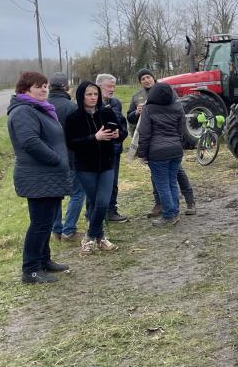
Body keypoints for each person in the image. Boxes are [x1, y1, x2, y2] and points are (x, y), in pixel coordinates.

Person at [7, 71, 73, 284]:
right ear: (25, 89)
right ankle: (31, 270)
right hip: (38, 176)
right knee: (40, 224)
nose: (44, 89)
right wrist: (56, 159)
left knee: (46, 221)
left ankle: (44, 261)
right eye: (38, 86)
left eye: (45, 86)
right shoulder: (23, 111)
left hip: (47, 176)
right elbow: (30, 142)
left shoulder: (38, 109)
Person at [127, 68, 196, 216]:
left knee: (173, 176)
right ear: (140, 82)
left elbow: (180, 120)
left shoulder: (167, 91)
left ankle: (186, 203)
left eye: (148, 77)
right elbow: (130, 118)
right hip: (162, 146)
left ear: (153, 77)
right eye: (143, 79)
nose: (146, 80)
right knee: (161, 178)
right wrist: (136, 112)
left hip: (162, 146)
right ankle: (162, 205)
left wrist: (143, 153)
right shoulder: (137, 97)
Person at [66, 81, 123, 254]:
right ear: (81, 96)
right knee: (94, 203)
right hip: (85, 167)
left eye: (95, 94)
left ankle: (90, 236)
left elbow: (122, 132)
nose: (92, 98)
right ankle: (101, 238)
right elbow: (71, 143)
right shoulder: (73, 117)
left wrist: (118, 134)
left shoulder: (106, 113)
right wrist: (94, 138)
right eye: (89, 94)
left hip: (106, 164)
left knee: (103, 203)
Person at [136, 82, 186, 226]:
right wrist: (177, 143)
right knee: (172, 182)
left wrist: (142, 154)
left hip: (157, 153)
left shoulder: (148, 109)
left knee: (162, 185)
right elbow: (181, 129)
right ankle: (174, 212)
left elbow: (144, 133)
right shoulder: (177, 107)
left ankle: (169, 215)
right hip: (176, 150)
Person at [46, 72, 86, 241]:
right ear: (66, 88)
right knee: (78, 193)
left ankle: (56, 230)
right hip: (70, 158)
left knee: (55, 194)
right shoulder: (73, 107)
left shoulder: (41, 106)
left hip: (48, 158)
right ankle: (69, 230)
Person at [96, 73, 130, 223]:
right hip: (96, 150)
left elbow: (123, 126)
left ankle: (111, 211)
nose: (112, 89)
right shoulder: (90, 103)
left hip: (114, 150)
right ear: (99, 86)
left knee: (113, 182)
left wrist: (120, 134)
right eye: (109, 86)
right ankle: (95, 212)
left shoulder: (116, 103)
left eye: (113, 86)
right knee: (96, 183)